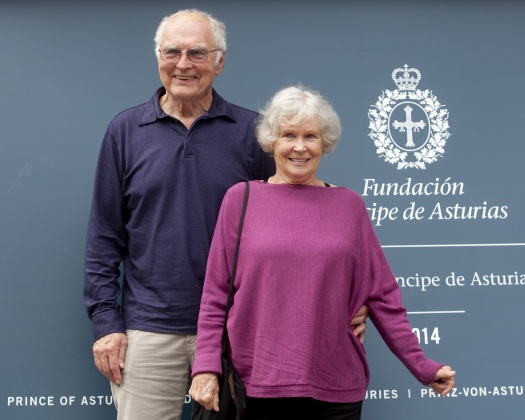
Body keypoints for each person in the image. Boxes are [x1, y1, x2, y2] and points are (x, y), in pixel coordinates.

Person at [83, 9, 369, 420]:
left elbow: (303, 225)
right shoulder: (125, 132)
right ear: (158, 57)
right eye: (172, 52)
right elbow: (104, 237)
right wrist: (106, 324)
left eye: (197, 53)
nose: (183, 64)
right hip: (148, 331)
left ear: (219, 62)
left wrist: (348, 304)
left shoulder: (252, 134)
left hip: (239, 333)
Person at [189, 85, 456, 419]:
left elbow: (384, 297)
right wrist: (206, 366)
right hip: (257, 387)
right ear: (272, 141)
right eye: (288, 135)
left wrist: (422, 366)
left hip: (335, 389)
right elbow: (215, 294)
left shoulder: (349, 206)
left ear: (324, 143)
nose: (299, 147)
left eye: (311, 136)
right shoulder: (240, 200)